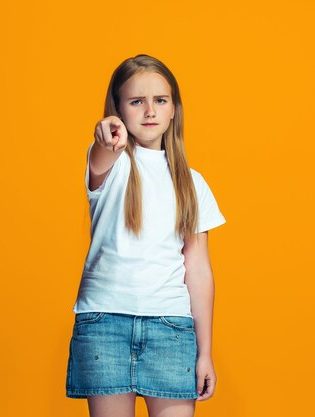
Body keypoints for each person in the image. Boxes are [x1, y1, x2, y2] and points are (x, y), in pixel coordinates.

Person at [66, 54, 226, 417]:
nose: (149, 110)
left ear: (174, 109)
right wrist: (107, 135)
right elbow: (102, 148)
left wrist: (205, 353)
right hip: (105, 323)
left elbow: (198, 271)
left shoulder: (192, 183)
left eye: (160, 100)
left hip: (171, 328)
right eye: (136, 101)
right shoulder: (111, 161)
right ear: (119, 110)